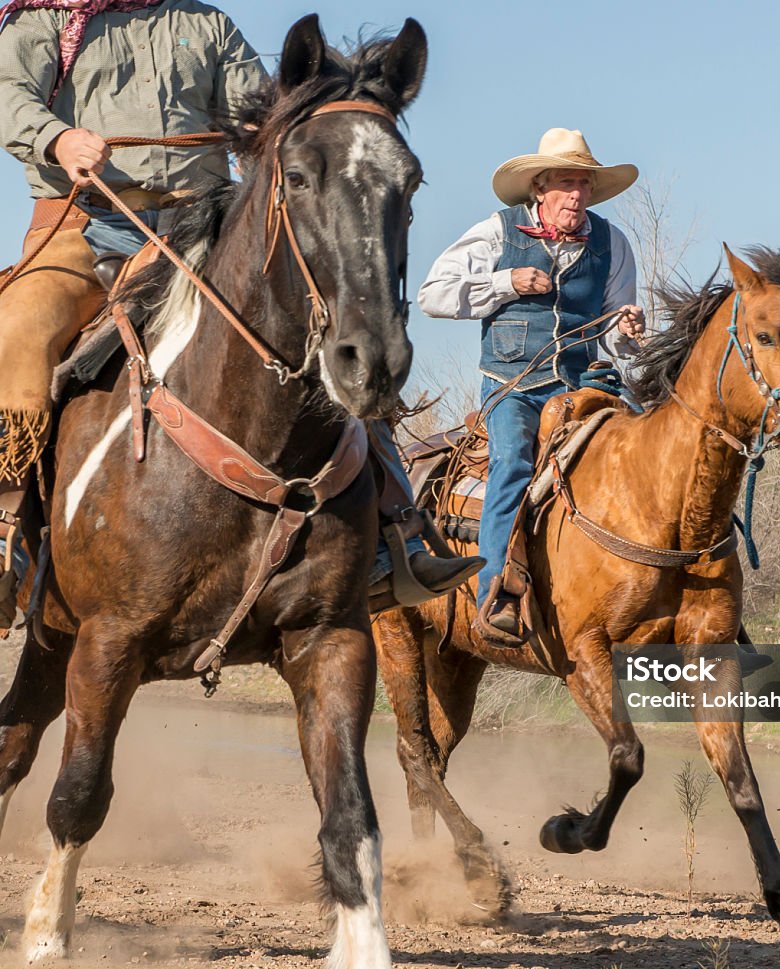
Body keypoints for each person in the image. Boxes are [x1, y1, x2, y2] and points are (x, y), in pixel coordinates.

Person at [0, 0, 478, 633]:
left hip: (205, 223)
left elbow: (263, 106)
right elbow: (9, 96)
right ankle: (8, 533)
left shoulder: (205, 24)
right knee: (17, 334)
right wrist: (57, 138)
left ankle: (395, 531)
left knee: (327, 324)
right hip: (87, 222)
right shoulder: (41, 23)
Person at [418, 128, 646, 645]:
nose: (578, 196)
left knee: (652, 450)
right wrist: (508, 282)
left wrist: (628, 330)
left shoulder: (612, 243)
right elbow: (433, 295)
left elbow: (618, 335)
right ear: (539, 188)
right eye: (567, 183)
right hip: (512, 386)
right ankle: (494, 594)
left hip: (584, 383)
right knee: (512, 465)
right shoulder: (498, 233)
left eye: (585, 185)